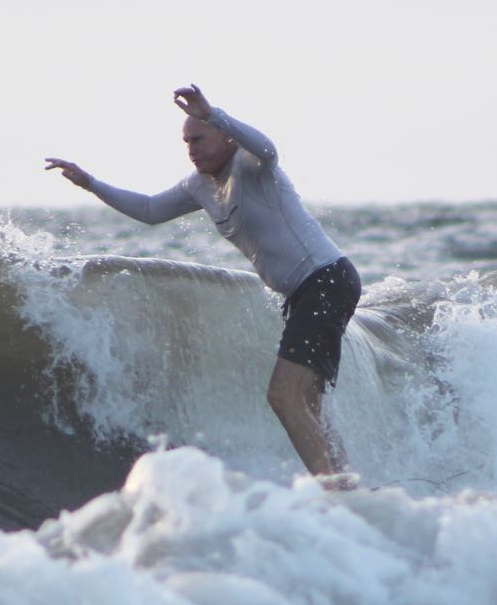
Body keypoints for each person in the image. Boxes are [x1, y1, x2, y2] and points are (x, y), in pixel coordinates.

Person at [45, 84, 361, 488]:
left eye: (199, 138)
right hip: (308, 291)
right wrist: (90, 183)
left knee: (284, 396)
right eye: (186, 142)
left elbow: (268, 148)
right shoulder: (199, 186)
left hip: (325, 279)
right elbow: (149, 210)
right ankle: (347, 485)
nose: (191, 149)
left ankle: (332, 489)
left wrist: (213, 113)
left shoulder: (252, 166)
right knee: (307, 401)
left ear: (224, 136)